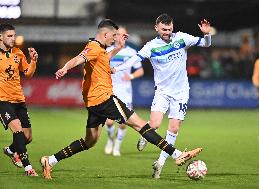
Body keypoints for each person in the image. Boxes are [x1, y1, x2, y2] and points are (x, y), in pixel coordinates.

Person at [40, 19, 202, 180]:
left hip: (94, 103)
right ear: (105, 34)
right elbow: (78, 58)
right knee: (140, 125)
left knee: (89, 141)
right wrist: (65, 68)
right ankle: (177, 154)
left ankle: (51, 160)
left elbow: (103, 59)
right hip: (104, 98)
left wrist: (118, 48)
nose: (115, 38)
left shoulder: (100, 49)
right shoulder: (93, 47)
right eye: (114, 35)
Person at [112, 13, 211, 179]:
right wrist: (116, 69)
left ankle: (160, 164)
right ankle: (146, 134)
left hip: (181, 93)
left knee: (173, 128)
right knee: (155, 125)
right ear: (156, 28)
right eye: (164, 29)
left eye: (170, 29)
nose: (167, 32)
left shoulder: (181, 38)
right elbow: (134, 59)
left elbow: (206, 44)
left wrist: (207, 34)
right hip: (162, 92)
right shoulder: (151, 46)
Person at [0, 23, 38, 176]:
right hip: (2, 100)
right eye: (9, 36)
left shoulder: (18, 53)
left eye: (14, 35)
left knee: (27, 137)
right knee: (17, 129)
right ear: (0, 37)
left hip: (19, 99)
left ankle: (10, 150)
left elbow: (28, 73)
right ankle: (28, 168)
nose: (13, 38)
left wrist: (33, 60)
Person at [104, 26, 144, 156]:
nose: (121, 37)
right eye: (118, 34)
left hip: (125, 90)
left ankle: (117, 146)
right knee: (109, 122)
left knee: (123, 121)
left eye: (123, 35)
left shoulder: (132, 52)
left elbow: (140, 70)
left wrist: (131, 76)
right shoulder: (108, 51)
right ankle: (110, 140)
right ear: (115, 36)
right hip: (110, 88)